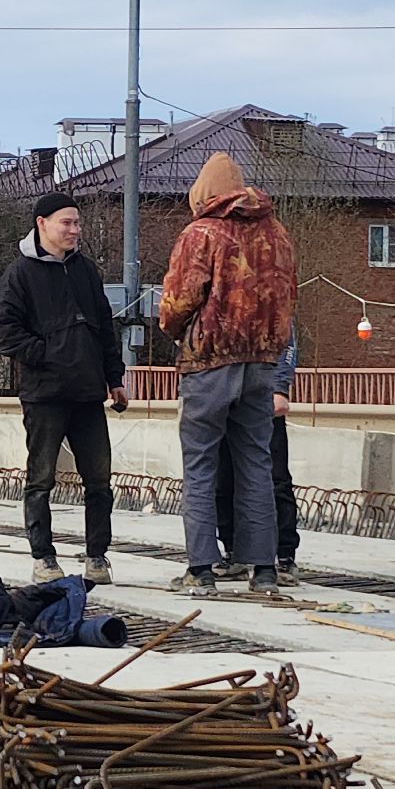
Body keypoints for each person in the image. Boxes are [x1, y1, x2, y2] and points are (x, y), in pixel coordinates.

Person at [157, 153, 297, 594]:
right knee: (256, 462)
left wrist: (174, 329)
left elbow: (179, 300)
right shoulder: (278, 234)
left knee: (201, 463)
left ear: (203, 194)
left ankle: (200, 569)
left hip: (210, 361)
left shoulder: (201, 233)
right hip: (261, 363)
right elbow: (288, 297)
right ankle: (265, 570)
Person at [0, 191, 128, 585]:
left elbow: (105, 327)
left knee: (99, 480)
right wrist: (50, 354)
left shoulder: (85, 270)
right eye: (66, 223)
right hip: (45, 394)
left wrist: (114, 378)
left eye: (77, 223)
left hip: (88, 394)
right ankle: (43, 556)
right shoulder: (20, 274)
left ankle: (97, 555)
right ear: (42, 224)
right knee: (41, 479)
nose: (75, 230)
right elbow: (7, 334)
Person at [214, 325, 301, 586]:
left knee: (274, 479)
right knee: (223, 478)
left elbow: (286, 340)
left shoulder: (268, 291)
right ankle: (233, 551)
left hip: (261, 395)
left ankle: (284, 555)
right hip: (223, 395)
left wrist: (280, 388)